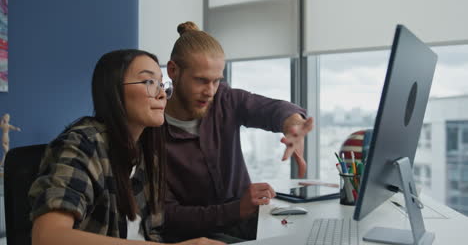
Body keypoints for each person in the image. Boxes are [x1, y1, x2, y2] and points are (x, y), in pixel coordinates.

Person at [28, 49, 224, 245]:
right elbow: (47, 237)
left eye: (162, 84)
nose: (162, 94)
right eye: (148, 82)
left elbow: (153, 233)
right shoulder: (83, 144)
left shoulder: (146, 152)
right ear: (114, 90)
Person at [162, 22, 314, 243]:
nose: (210, 91)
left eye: (217, 81)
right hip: (195, 237)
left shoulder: (224, 99)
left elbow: (273, 110)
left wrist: (293, 123)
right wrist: (236, 210)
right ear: (173, 70)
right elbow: (167, 216)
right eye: (201, 80)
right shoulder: (151, 129)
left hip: (245, 223)